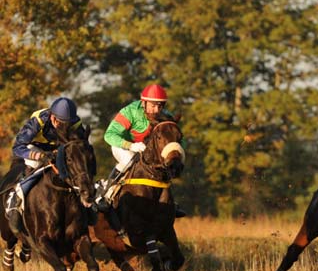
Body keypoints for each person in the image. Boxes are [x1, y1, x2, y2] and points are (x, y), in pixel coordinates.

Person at [97, 83, 185, 217]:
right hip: (123, 146)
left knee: (163, 165)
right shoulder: (129, 112)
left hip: (146, 151)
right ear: (143, 102)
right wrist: (131, 146)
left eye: (160, 106)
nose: (156, 110)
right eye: (153, 105)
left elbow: (174, 137)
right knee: (129, 159)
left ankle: (170, 202)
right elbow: (109, 135)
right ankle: (106, 194)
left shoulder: (166, 116)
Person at [4, 97, 89, 235]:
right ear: (53, 118)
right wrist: (39, 156)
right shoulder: (39, 120)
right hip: (35, 149)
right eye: (62, 124)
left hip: (59, 150)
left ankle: (88, 202)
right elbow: (17, 147)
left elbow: (80, 147)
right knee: (34, 163)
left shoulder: (75, 122)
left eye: (68, 124)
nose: (66, 128)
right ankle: (16, 200)